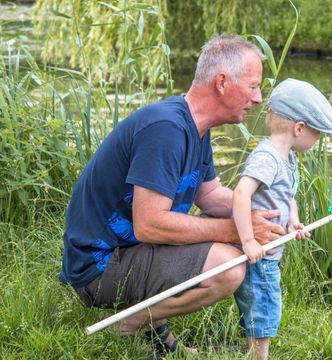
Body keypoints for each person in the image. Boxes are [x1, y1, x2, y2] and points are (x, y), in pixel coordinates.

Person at [60, 34, 286, 357]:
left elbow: (210, 197)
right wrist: (235, 230)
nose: (258, 98)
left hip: (131, 251)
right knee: (229, 267)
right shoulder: (166, 129)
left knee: (238, 242)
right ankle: (129, 324)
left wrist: (268, 215)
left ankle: (152, 327)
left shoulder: (197, 129)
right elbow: (149, 225)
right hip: (99, 266)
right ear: (222, 82)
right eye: (252, 87)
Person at [232, 78, 332, 360]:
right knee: (265, 307)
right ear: (299, 128)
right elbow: (241, 194)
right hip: (260, 255)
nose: (317, 139)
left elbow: (287, 195)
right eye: (316, 133)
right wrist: (247, 241)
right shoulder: (268, 157)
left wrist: (293, 221)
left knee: (262, 305)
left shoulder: (287, 157)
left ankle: (255, 352)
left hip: (271, 252)